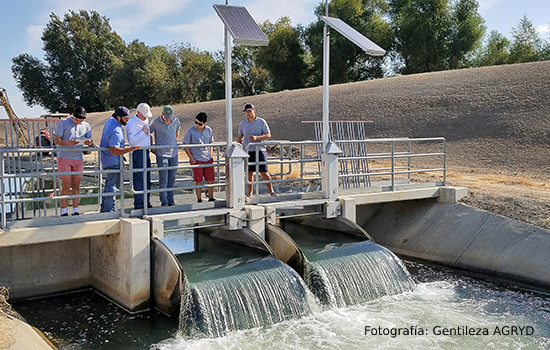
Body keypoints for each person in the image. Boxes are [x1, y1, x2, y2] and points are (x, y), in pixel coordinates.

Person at [99, 106, 141, 212]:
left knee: (109, 183)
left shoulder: (110, 121)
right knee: (113, 186)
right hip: (113, 161)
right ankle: (109, 209)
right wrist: (130, 149)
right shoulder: (116, 130)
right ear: (118, 117)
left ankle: (104, 208)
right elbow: (114, 150)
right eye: (125, 118)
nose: (127, 120)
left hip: (106, 160)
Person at [53, 106, 93, 216]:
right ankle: (64, 211)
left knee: (76, 185)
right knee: (66, 185)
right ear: (72, 115)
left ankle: (75, 210)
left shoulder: (86, 125)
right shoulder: (63, 123)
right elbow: (56, 140)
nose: (78, 122)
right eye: (76, 120)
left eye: (81, 120)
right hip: (64, 157)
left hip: (78, 157)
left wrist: (89, 143)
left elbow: (90, 141)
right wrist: (68, 143)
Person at [237, 103, 275, 201]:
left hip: (259, 150)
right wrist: (238, 145)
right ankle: (249, 194)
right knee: (249, 172)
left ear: (254, 110)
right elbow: (240, 136)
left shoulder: (261, 122)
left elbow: (268, 135)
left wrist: (257, 138)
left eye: (249, 111)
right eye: (246, 111)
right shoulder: (243, 123)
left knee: (263, 172)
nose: (248, 113)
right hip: (248, 151)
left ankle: (271, 191)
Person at [150, 105, 180, 207]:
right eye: (166, 116)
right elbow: (149, 132)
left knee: (172, 177)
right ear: (162, 114)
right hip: (161, 153)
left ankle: (171, 200)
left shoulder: (176, 120)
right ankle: (164, 201)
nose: (168, 118)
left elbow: (177, 131)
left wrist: (174, 142)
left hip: (174, 153)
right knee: (164, 178)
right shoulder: (155, 122)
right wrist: (152, 146)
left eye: (169, 116)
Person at [183, 112, 215, 203]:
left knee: (210, 179)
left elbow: (210, 143)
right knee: (198, 180)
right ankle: (199, 199)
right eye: (195, 122)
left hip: (207, 159)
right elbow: (185, 145)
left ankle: (211, 198)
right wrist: (192, 158)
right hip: (196, 159)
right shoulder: (190, 131)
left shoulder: (209, 130)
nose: (197, 125)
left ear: (205, 123)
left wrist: (210, 155)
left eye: (199, 124)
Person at [126, 103, 153, 210]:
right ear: (138, 113)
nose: (146, 117)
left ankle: (147, 201)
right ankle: (140, 204)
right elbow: (132, 141)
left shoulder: (146, 120)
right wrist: (143, 132)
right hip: (137, 151)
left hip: (146, 151)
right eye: (144, 115)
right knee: (140, 178)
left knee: (147, 178)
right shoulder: (131, 124)